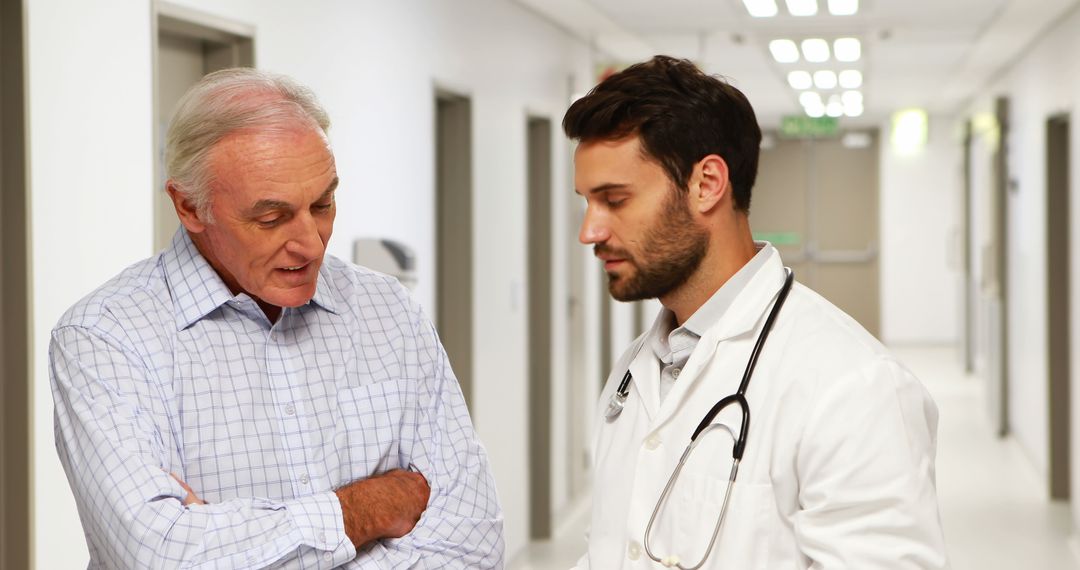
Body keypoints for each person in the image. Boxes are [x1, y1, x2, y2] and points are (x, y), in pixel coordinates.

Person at [49, 68, 504, 568]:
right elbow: (160, 555)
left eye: (323, 204)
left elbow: (472, 540)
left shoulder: (387, 310)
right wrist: (366, 508)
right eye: (271, 218)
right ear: (188, 206)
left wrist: (231, 540)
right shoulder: (104, 338)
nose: (311, 243)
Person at [563, 56, 948, 569]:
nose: (590, 231)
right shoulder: (633, 373)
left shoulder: (855, 386)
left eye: (614, 199)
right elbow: (610, 549)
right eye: (587, 202)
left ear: (707, 184)